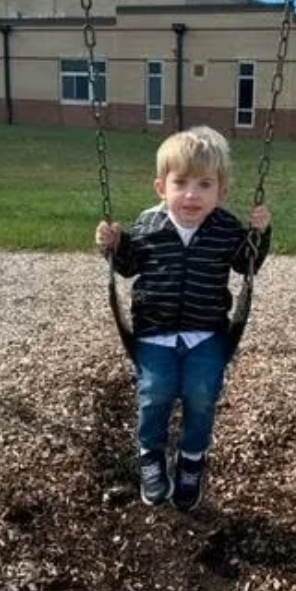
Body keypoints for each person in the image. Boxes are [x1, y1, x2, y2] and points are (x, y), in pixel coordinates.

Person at [95, 126, 271, 511]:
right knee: (155, 392)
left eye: (205, 184)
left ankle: (192, 459)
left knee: (202, 394)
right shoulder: (147, 225)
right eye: (181, 183)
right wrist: (112, 246)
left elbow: (247, 263)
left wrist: (260, 233)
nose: (191, 195)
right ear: (162, 187)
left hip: (206, 333)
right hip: (154, 334)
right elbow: (128, 267)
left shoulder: (225, 228)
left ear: (221, 192)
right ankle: (150, 456)